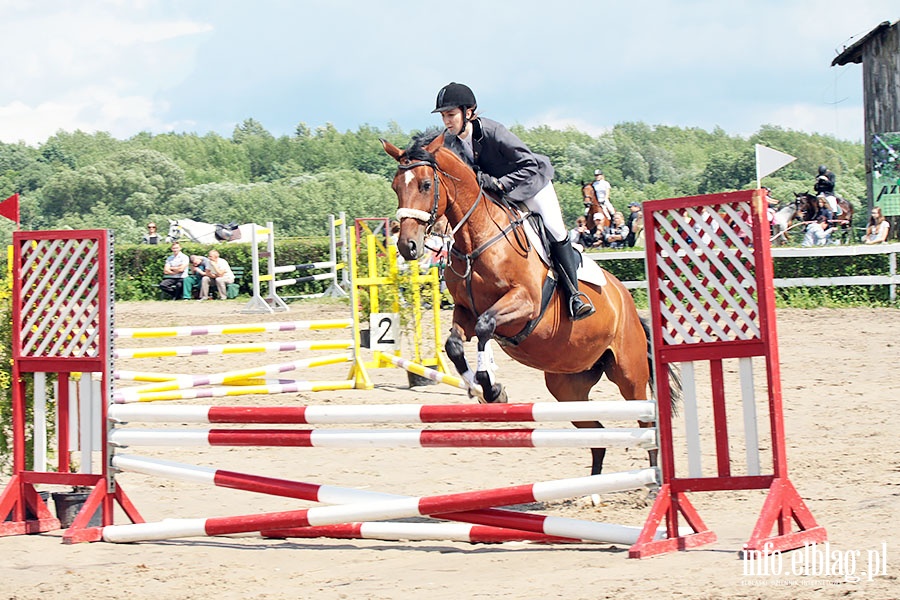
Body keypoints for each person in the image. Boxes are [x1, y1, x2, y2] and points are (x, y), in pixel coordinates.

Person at [433, 82, 594, 320]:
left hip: (532, 186)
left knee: (556, 231)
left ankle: (575, 295)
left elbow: (529, 163)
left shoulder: (493, 132)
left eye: (451, 115)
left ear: (468, 112)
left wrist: (500, 184)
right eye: (444, 116)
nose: (447, 121)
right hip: (501, 196)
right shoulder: (451, 142)